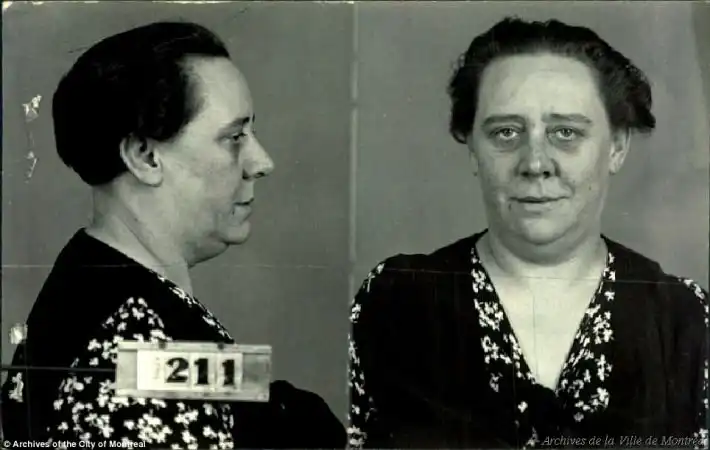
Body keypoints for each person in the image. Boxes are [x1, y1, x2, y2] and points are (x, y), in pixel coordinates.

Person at [348, 17, 708, 449]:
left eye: (566, 133)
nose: (535, 163)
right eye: (506, 132)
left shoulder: (684, 320)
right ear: (472, 147)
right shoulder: (395, 302)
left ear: (617, 146)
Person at [1, 21, 345, 448]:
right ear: (145, 156)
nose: (262, 162)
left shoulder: (93, 286)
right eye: (234, 137)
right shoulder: (133, 344)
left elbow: (250, 398)